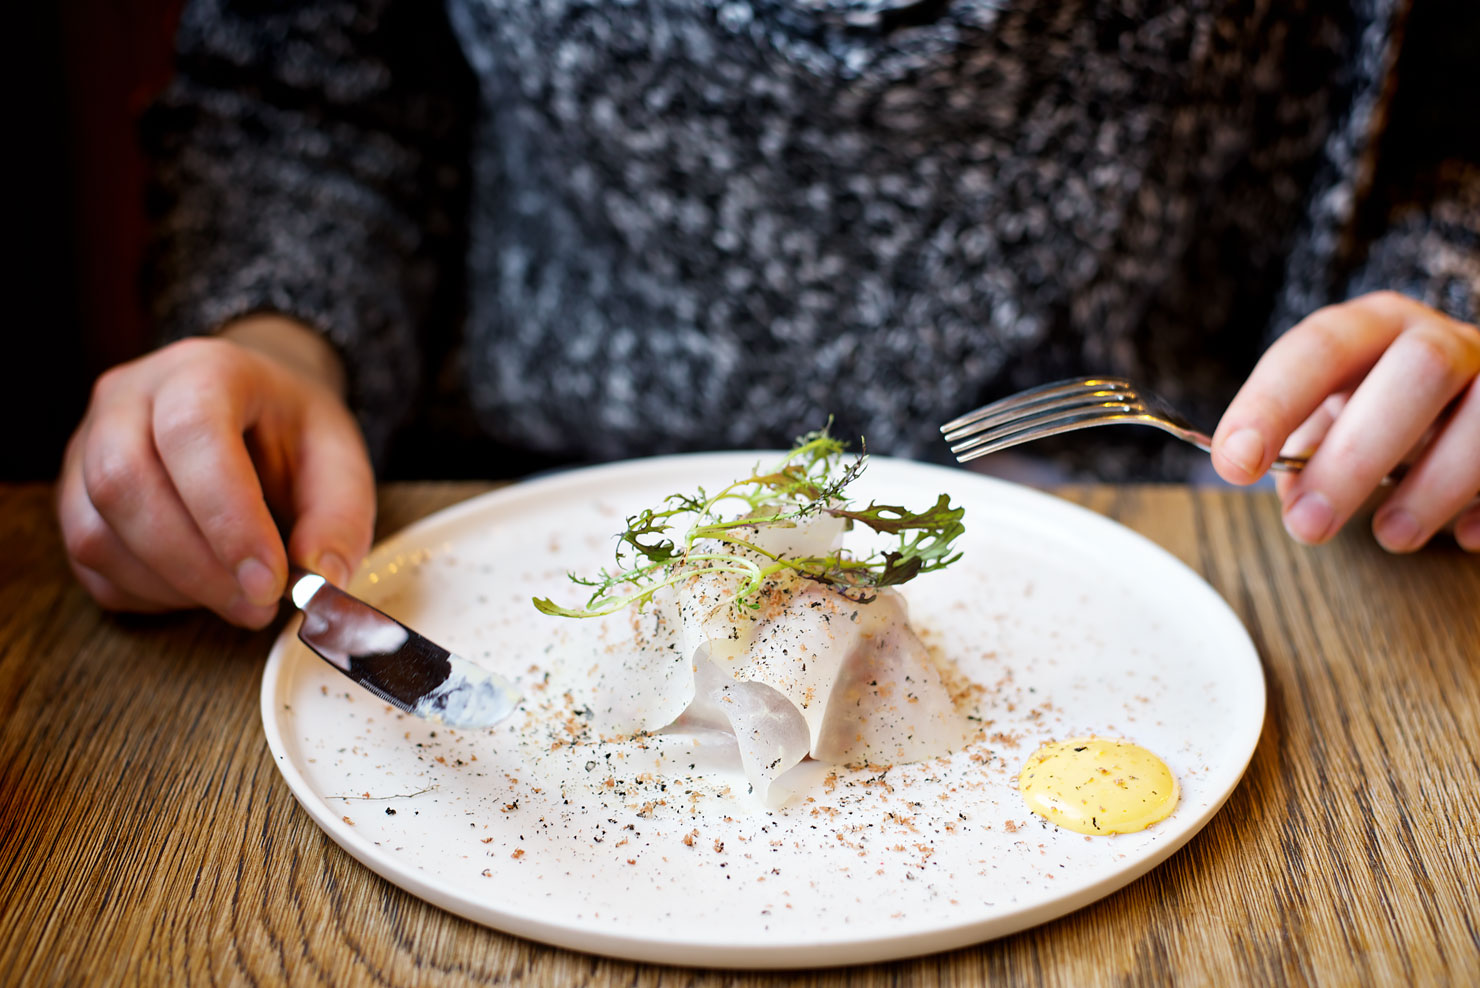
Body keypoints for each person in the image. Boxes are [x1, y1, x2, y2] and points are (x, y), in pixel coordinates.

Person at [58, 0, 1479, 628]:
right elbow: (315, 100)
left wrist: (1443, 314)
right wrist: (268, 346)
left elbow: (1448, 127)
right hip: (483, 538)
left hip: (1220, 560)